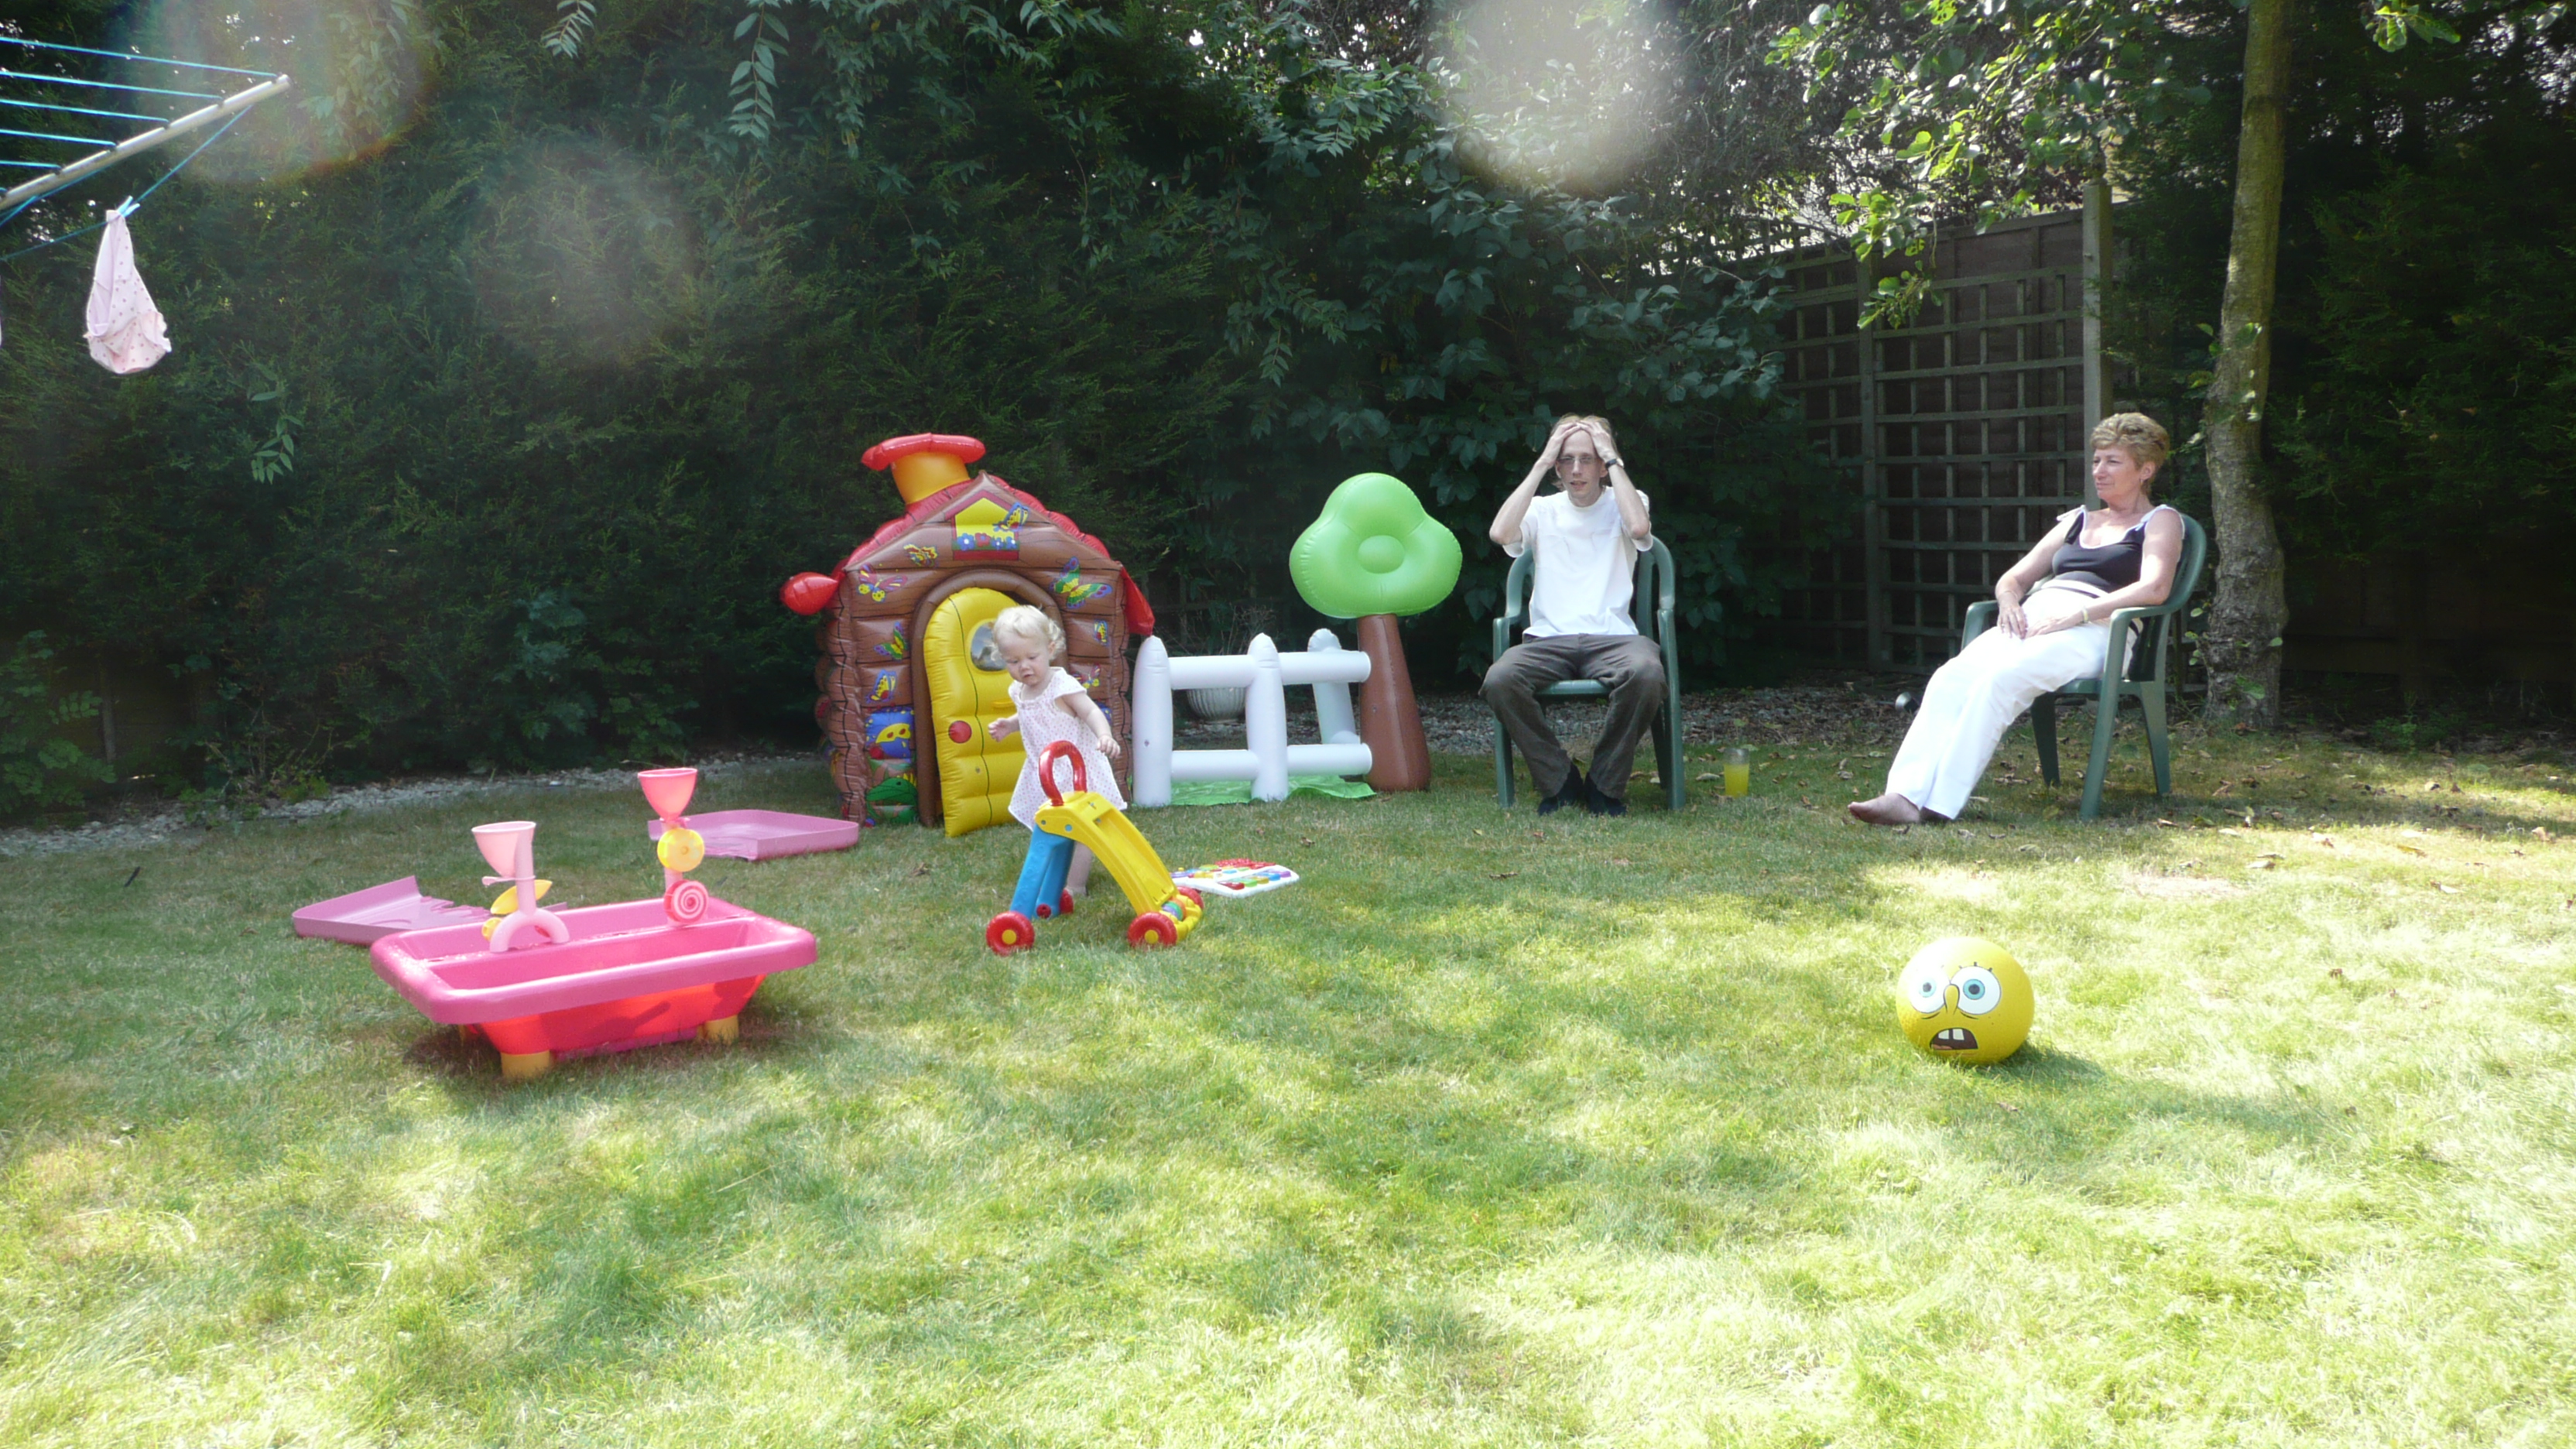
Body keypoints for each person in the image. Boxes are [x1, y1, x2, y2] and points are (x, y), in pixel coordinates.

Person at [1851, 413, 2186, 826]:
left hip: (2100, 629)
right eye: (2097, 460)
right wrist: (2009, 602)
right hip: (2036, 618)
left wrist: (2079, 613)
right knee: (1950, 677)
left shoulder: (2160, 521)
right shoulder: (2078, 520)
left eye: (2113, 462)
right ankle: (1903, 794)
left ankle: (1937, 804)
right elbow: (2014, 578)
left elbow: (2155, 587)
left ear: (2145, 470)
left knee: (2001, 680)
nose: (2099, 471)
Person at [1482, 413, 1662, 816]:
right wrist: (1541, 462)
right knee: (1501, 679)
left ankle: (1604, 784)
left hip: (1614, 638)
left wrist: (1612, 456)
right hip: (1549, 640)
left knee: (1647, 673)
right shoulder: (1542, 509)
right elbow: (1500, 534)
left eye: (1587, 458)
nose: (1576, 469)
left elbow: (1638, 528)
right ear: (1557, 467)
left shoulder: (1628, 499)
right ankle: (1560, 781)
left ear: (1603, 465)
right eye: (1567, 460)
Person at [987, 605, 1124, 892]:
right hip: (1046, 773)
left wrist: (1104, 735)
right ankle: (1054, 873)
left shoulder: (1062, 686)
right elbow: (1030, 715)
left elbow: (1090, 711)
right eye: (1013, 661)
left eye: (1032, 657)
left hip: (1075, 772)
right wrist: (1010, 725)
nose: (1024, 667)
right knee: (1050, 826)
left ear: (1050, 649)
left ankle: (1075, 886)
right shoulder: (1019, 691)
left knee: (1081, 831)